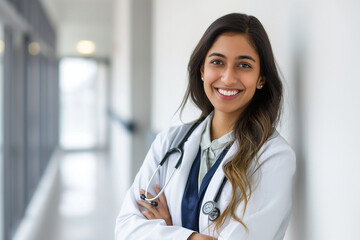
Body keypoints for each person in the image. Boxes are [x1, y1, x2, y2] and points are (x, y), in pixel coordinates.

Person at [115, 13, 296, 240]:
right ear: (202, 70)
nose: (228, 78)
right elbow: (125, 228)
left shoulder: (272, 157)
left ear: (261, 79)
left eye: (244, 65)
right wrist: (193, 238)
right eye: (217, 62)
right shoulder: (170, 141)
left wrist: (168, 231)